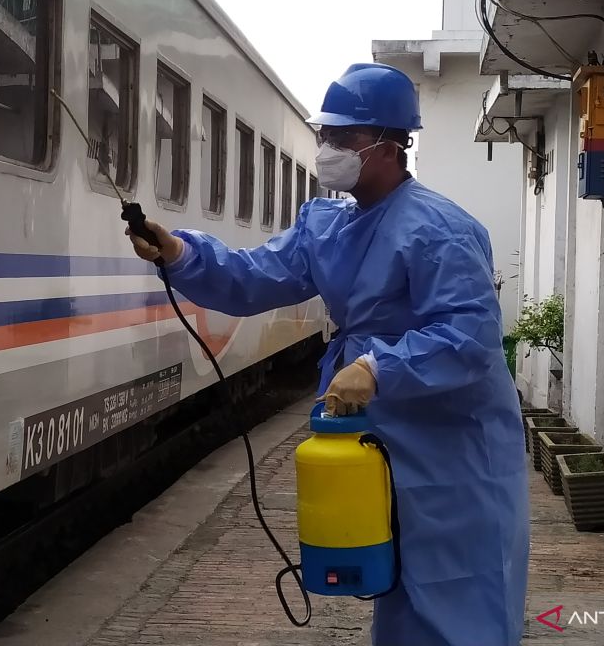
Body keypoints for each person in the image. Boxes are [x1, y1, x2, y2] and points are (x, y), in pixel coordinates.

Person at [127, 63, 529, 646]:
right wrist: (181, 253)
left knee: (460, 589)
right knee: (395, 585)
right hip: (383, 438)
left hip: (454, 448)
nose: (328, 148)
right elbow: (255, 276)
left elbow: (469, 337)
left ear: (391, 146)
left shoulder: (439, 229)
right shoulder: (329, 226)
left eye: (344, 138)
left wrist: (377, 367)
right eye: (326, 135)